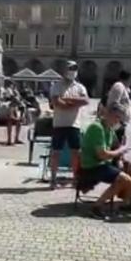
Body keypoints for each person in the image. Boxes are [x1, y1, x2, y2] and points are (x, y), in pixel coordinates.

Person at [78, 103, 131, 220]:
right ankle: (97, 206)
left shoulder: (109, 129)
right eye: (117, 117)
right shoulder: (97, 128)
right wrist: (120, 151)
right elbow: (102, 155)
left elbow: (117, 146)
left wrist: (121, 157)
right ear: (108, 114)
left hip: (104, 164)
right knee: (125, 179)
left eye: (120, 118)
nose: (118, 121)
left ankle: (126, 203)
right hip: (92, 167)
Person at [49, 60, 89, 189]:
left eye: (74, 69)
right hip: (59, 124)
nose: (72, 71)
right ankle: (53, 178)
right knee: (56, 152)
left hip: (74, 124)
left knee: (76, 153)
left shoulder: (80, 87)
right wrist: (73, 104)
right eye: (70, 68)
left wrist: (66, 100)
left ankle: (75, 178)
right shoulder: (56, 86)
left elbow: (85, 100)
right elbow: (56, 102)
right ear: (64, 70)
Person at [106, 70, 131, 146]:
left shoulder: (124, 88)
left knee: (119, 143)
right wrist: (124, 111)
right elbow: (113, 103)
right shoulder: (119, 86)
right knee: (115, 145)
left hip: (120, 122)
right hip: (116, 122)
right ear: (128, 79)